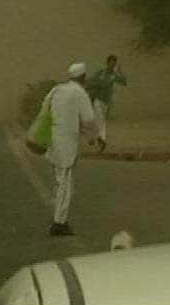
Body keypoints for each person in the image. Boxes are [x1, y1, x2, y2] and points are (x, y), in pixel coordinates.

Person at [44, 62, 100, 237]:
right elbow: (89, 119)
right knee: (66, 185)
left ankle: (59, 219)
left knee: (60, 182)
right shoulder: (79, 92)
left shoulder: (57, 89)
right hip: (67, 145)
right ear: (83, 77)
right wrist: (93, 137)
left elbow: (45, 109)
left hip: (53, 142)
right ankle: (59, 223)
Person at [86, 54, 127, 150]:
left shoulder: (114, 75)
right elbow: (91, 81)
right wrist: (102, 83)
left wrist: (120, 73)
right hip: (98, 99)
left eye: (114, 63)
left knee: (101, 120)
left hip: (106, 101)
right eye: (111, 63)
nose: (112, 65)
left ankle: (98, 139)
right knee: (99, 119)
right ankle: (100, 138)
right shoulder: (101, 72)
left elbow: (124, 82)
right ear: (107, 63)